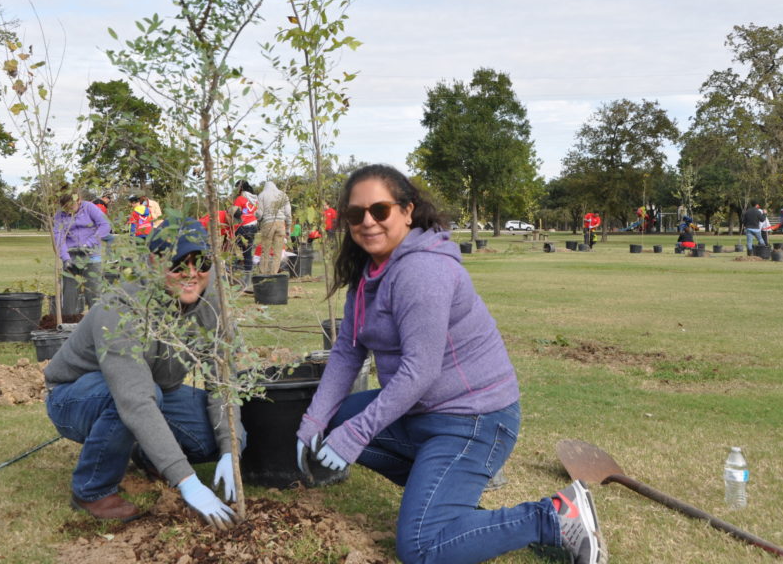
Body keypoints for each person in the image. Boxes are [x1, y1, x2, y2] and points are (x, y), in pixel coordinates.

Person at [295, 164, 607, 564]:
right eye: (356, 215)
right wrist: (314, 422)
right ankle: (448, 499)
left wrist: (354, 436)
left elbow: (419, 371)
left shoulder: (422, 271)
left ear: (407, 211)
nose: (367, 222)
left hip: (473, 419)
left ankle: (552, 517)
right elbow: (347, 351)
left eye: (380, 210)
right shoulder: (370, 270)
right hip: (423, 412)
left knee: (422, 548)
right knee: (335, 419)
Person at [44, 219, 243, 526]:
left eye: (201, 262)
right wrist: (186, 480)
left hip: (157, 390)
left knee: (206, 437)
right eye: (178, 264)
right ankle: (92, 489)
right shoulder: (121, 309)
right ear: (153, 263)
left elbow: (222, 382)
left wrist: (231, 449)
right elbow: (134, 400)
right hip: (76, 396)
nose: (191, 274)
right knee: (138, 399)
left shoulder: (212, 305)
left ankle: (150, 455)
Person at [53, 189, 112, 317]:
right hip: (71, 256)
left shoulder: (89, 208)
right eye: (65, 208)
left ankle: (96, 321)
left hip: (91, 255)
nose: (68, 211)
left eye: (71, 207)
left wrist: (89, 243)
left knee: (94, 292)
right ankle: (69, 323)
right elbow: (58, 237)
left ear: (79, 200)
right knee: (69, 293)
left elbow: (105, 225)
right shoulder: (59, 215)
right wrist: (65, 258)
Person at [255, 181, 291, 274]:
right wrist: (288, 228)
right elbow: (288, 213)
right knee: (278, 252)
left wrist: (257, 219)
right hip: (281, 224)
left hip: (268, 224)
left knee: (265, 250)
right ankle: (273, 273)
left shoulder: (262, 195)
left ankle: (263, 273)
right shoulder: (283, 195)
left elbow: (259, 213)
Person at [231, 180, 258, 292]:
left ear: (240, 188)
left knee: (232, 247)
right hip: (253, 226)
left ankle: (237, 273)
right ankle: (248, 280)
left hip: (243, 227)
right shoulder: (254, 199)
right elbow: (256, 212)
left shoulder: (240, 199)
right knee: (248, 253)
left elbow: (234, 212)